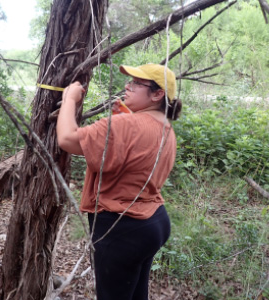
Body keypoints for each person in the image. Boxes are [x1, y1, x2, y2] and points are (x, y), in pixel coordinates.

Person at [56, 63, 182, 300]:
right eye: (130, 81)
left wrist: (70, 99)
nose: (128, 86)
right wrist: (124, 120)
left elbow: (67, 139)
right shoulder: (166, 128)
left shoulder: (126, 125)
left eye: (137, 83)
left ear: (157, 94)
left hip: (121, 228)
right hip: (153, 222)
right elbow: (134, 156)